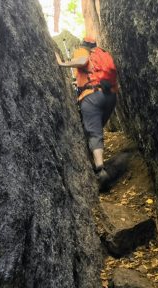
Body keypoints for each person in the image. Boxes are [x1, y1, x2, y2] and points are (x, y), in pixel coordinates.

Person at [55, 36, 118, 184]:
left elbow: (82, 61)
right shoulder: (103, 54)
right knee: (96, 129)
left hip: (91, 96)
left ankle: (100, 170)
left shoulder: (82, 51)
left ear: (84, 44)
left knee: (93, 132)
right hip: (110, 97)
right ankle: (96, 154)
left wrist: (62, 63)